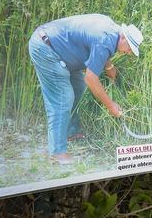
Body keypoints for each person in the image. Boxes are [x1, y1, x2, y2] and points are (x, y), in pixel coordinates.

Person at [28, 14, 143, 165]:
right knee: (63, 99)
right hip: (46, 48)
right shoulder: (106, 39)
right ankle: (57, 152)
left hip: (64, 52)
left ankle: (70, 133)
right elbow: (91, 79)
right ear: (123, 38)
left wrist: (108, 66)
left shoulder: (111, 32)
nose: (128, 52)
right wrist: (111, 106)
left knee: (79, 89)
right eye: (129, 48)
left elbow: (99, 48)